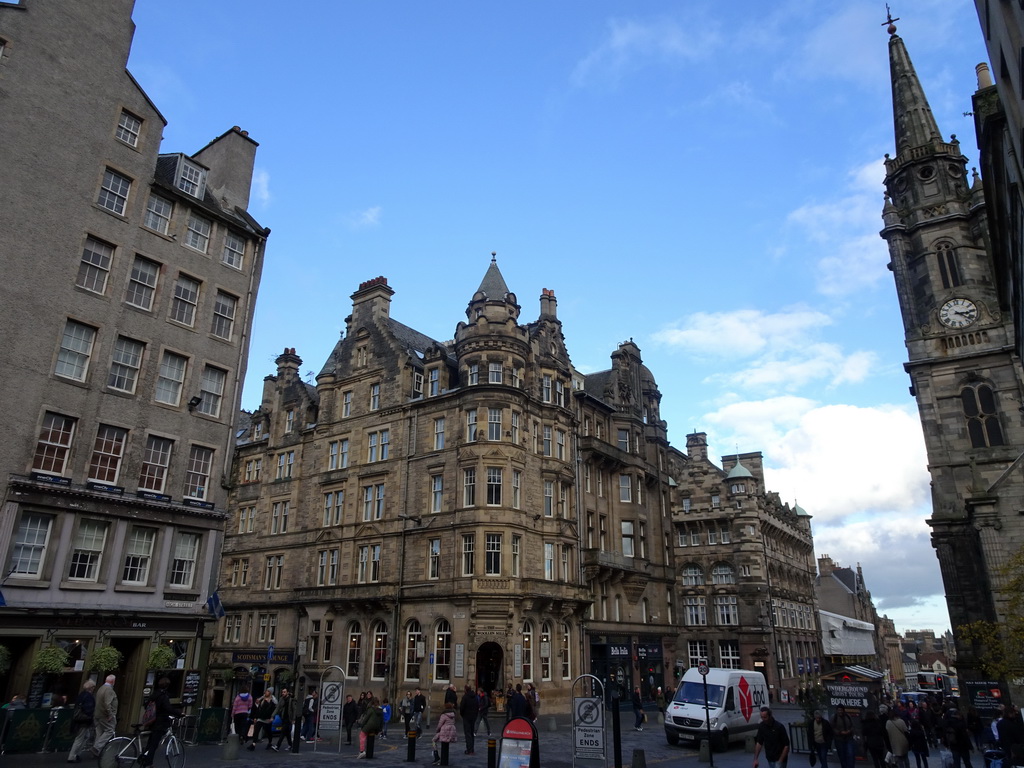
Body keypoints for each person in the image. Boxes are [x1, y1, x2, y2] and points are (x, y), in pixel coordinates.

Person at [139, 678, 182, 767]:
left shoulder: (155, 694)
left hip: (152, 721)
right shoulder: (163, 696)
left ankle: (145, 759)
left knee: (150, 743)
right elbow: (168, 708)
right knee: (154, 745)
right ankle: (148, 763)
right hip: (160, 722)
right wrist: (179, 713)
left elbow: (146, 705)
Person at [67, 680, 96, 763]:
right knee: (80, 738)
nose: (94, 688)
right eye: (93, 687)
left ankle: (76, 754)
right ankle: (72, 756)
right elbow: (88, 709)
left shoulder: (82, 694)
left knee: (86, 736)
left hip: (79, 720)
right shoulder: (88, 696)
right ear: (91, 687)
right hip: (83, 721)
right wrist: (91, 715)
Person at [93, 674, 118, 757]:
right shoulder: (109, 690)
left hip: (98, 714)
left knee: (99, 732)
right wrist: (110, 714)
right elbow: (107, 703)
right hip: (105, 715)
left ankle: (97, 751)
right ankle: (97, 747)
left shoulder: (101, 688)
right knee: (109, 730)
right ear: (113, 682)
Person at [432, 702, 458, 766]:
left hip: (444, 731)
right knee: (446, 743)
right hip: (451, 731)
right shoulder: (453, 715)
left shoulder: (444, 715)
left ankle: (436, 756)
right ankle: (443, 759)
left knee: (433, 740)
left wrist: (437, 730)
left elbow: (440, 724)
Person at [459, 685, 479, 755]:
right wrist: (475, 715)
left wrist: (463, 715)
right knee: (471, 733)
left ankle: (469, 749)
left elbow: (461, 708)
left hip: (466, 717)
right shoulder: (475, 697)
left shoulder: (465, 697)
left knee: (467, 733)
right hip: (473, 717)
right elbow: (477, 707)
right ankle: (472, 749)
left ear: (465, 690)